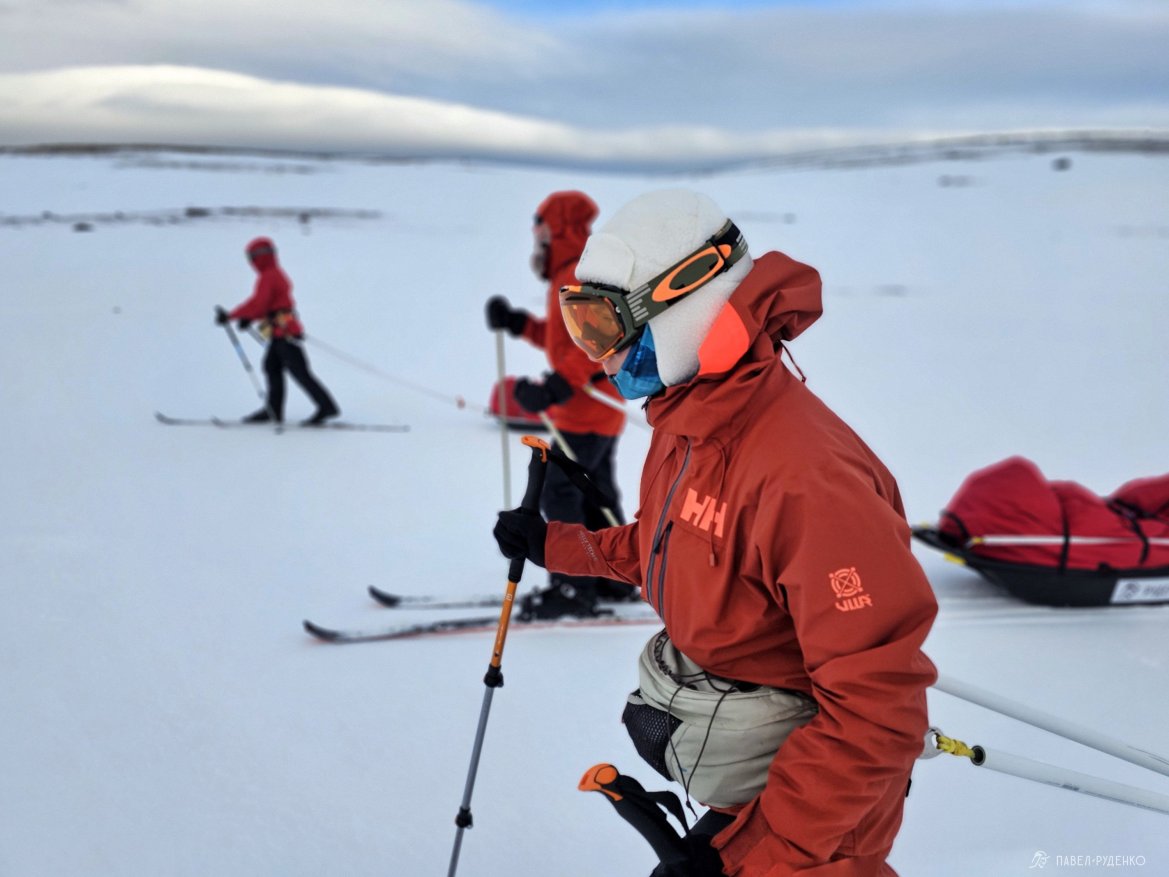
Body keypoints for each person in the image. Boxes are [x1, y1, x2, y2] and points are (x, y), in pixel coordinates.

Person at [494, 189, 938, 876]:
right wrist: (553, 544)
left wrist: (760, 856)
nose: (597, 359)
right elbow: (667, 547)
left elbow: (877, 713)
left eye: (605, 328)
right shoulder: (685, 423)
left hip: (821, 817)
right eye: (581, 327)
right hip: (754, 776)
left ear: (684, 307)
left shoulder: (806, 477)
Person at [485, 190, 636, 619]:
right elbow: (563, 338)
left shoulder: (575, 274)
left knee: (560, 490)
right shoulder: (568, 274)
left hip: (585, 410)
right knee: (592, 496)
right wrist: (520, 325)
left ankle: (573, 589)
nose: (538, 240)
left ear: (558, 231)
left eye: (542, 231)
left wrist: (554, 388)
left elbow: (594, 343)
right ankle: (614, 579)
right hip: (596, 410)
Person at [215, 237, 339, 426]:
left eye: (251, 257)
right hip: (280, 331)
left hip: (284, 332)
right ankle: (274, 410)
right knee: (272, 367)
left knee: (298, 371)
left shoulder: (269, 277)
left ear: (260, 257)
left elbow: (259, 304)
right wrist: (245, 317)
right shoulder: (273, 274)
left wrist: (233, 316)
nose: (250, 261)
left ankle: (326, 407)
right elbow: (263, 305)